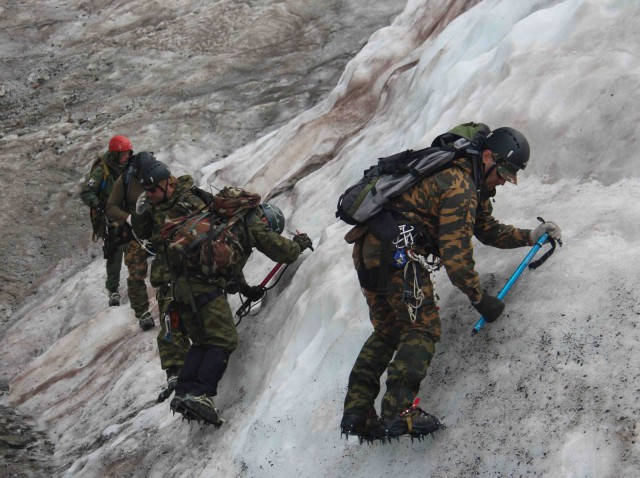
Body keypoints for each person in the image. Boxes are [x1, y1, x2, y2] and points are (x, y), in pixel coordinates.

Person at [340, 124, 562, 441]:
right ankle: (398, 412)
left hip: (370, 248)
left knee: (389, 330)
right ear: (487, 156)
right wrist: (480, 299)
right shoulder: (461, 187)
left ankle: (358, 413)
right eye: (503, 172)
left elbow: (486, 229)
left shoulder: (465, 180)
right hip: (398, 254)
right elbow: (456, 258)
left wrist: (529, 236)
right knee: (423, 328)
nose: (503, 181)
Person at [133, 165, 313, 426]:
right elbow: (281, 251)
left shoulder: (223, 219)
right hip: (203, 287)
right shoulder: (253, 220)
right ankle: (201, 394)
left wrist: (246, 289)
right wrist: (299, 244)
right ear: (267, 221)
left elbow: (227, 265)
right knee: (224, 338)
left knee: (202, 341)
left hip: (178, 284)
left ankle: (183, 393)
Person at [130, 159, 205, 396]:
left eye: (152, 190)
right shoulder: (150, 204)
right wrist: (140, 213)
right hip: (166, 272)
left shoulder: (189, 199)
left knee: (198, 320)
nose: (149, 194)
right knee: (169, 323)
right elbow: (142, 234)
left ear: (165, 185)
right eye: (147, 191)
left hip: (192, 270)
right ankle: (176, 373)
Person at [80, 135, 135, 308]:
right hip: (111, 218)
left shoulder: (129, 165)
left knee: (134, 250)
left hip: (128, 214)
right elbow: (86, 192)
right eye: (124, 154)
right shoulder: (101, 171)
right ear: (116, 154)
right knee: (114, 253)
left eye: (128, 153)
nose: (127, 156)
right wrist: (100, 204)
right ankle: (113, 290)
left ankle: (136, 285)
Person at [106, 151, 157, 330]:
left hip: (159, 230)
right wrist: (127, 218)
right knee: (136, 273)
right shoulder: (126, 180)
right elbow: (111, 207)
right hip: (135, 234)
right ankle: (142, 313)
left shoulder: (158, 174)